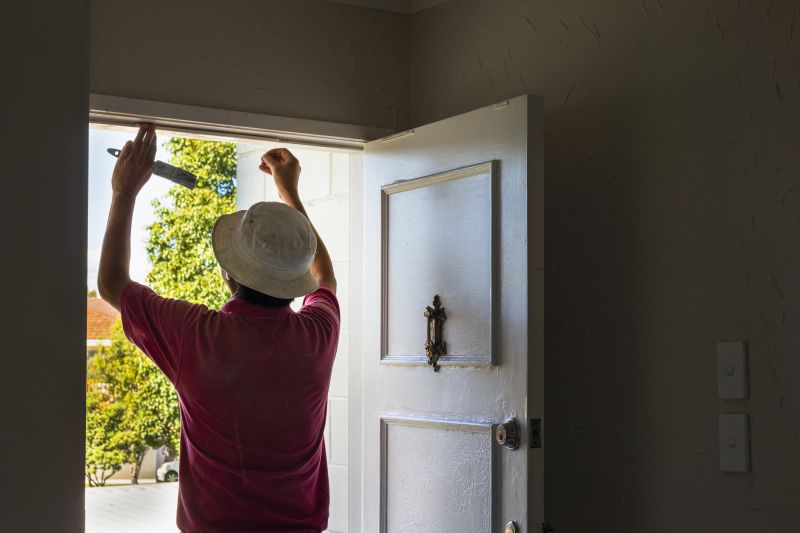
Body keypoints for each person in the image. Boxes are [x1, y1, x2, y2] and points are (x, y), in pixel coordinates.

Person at [98, 123, 340, 533]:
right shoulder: (318, 334)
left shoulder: (196, 336)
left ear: (228, 276)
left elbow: (110, 285)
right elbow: (325, 278)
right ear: (295, 283)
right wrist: (291, 194)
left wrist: (124, 191)